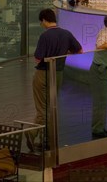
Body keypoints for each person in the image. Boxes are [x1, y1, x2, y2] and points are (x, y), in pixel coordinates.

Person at [27, 9, 82, 151]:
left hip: (43, 73)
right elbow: (79, 50)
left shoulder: (45, 36)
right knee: (51, 107)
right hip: (58, 74)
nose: (42, 24)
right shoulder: (66, 33)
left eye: (41, 22)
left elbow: (38, 58)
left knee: (42, 108)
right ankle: (48, 141)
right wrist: (64, 53)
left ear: (45, 20)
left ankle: (31, 133)